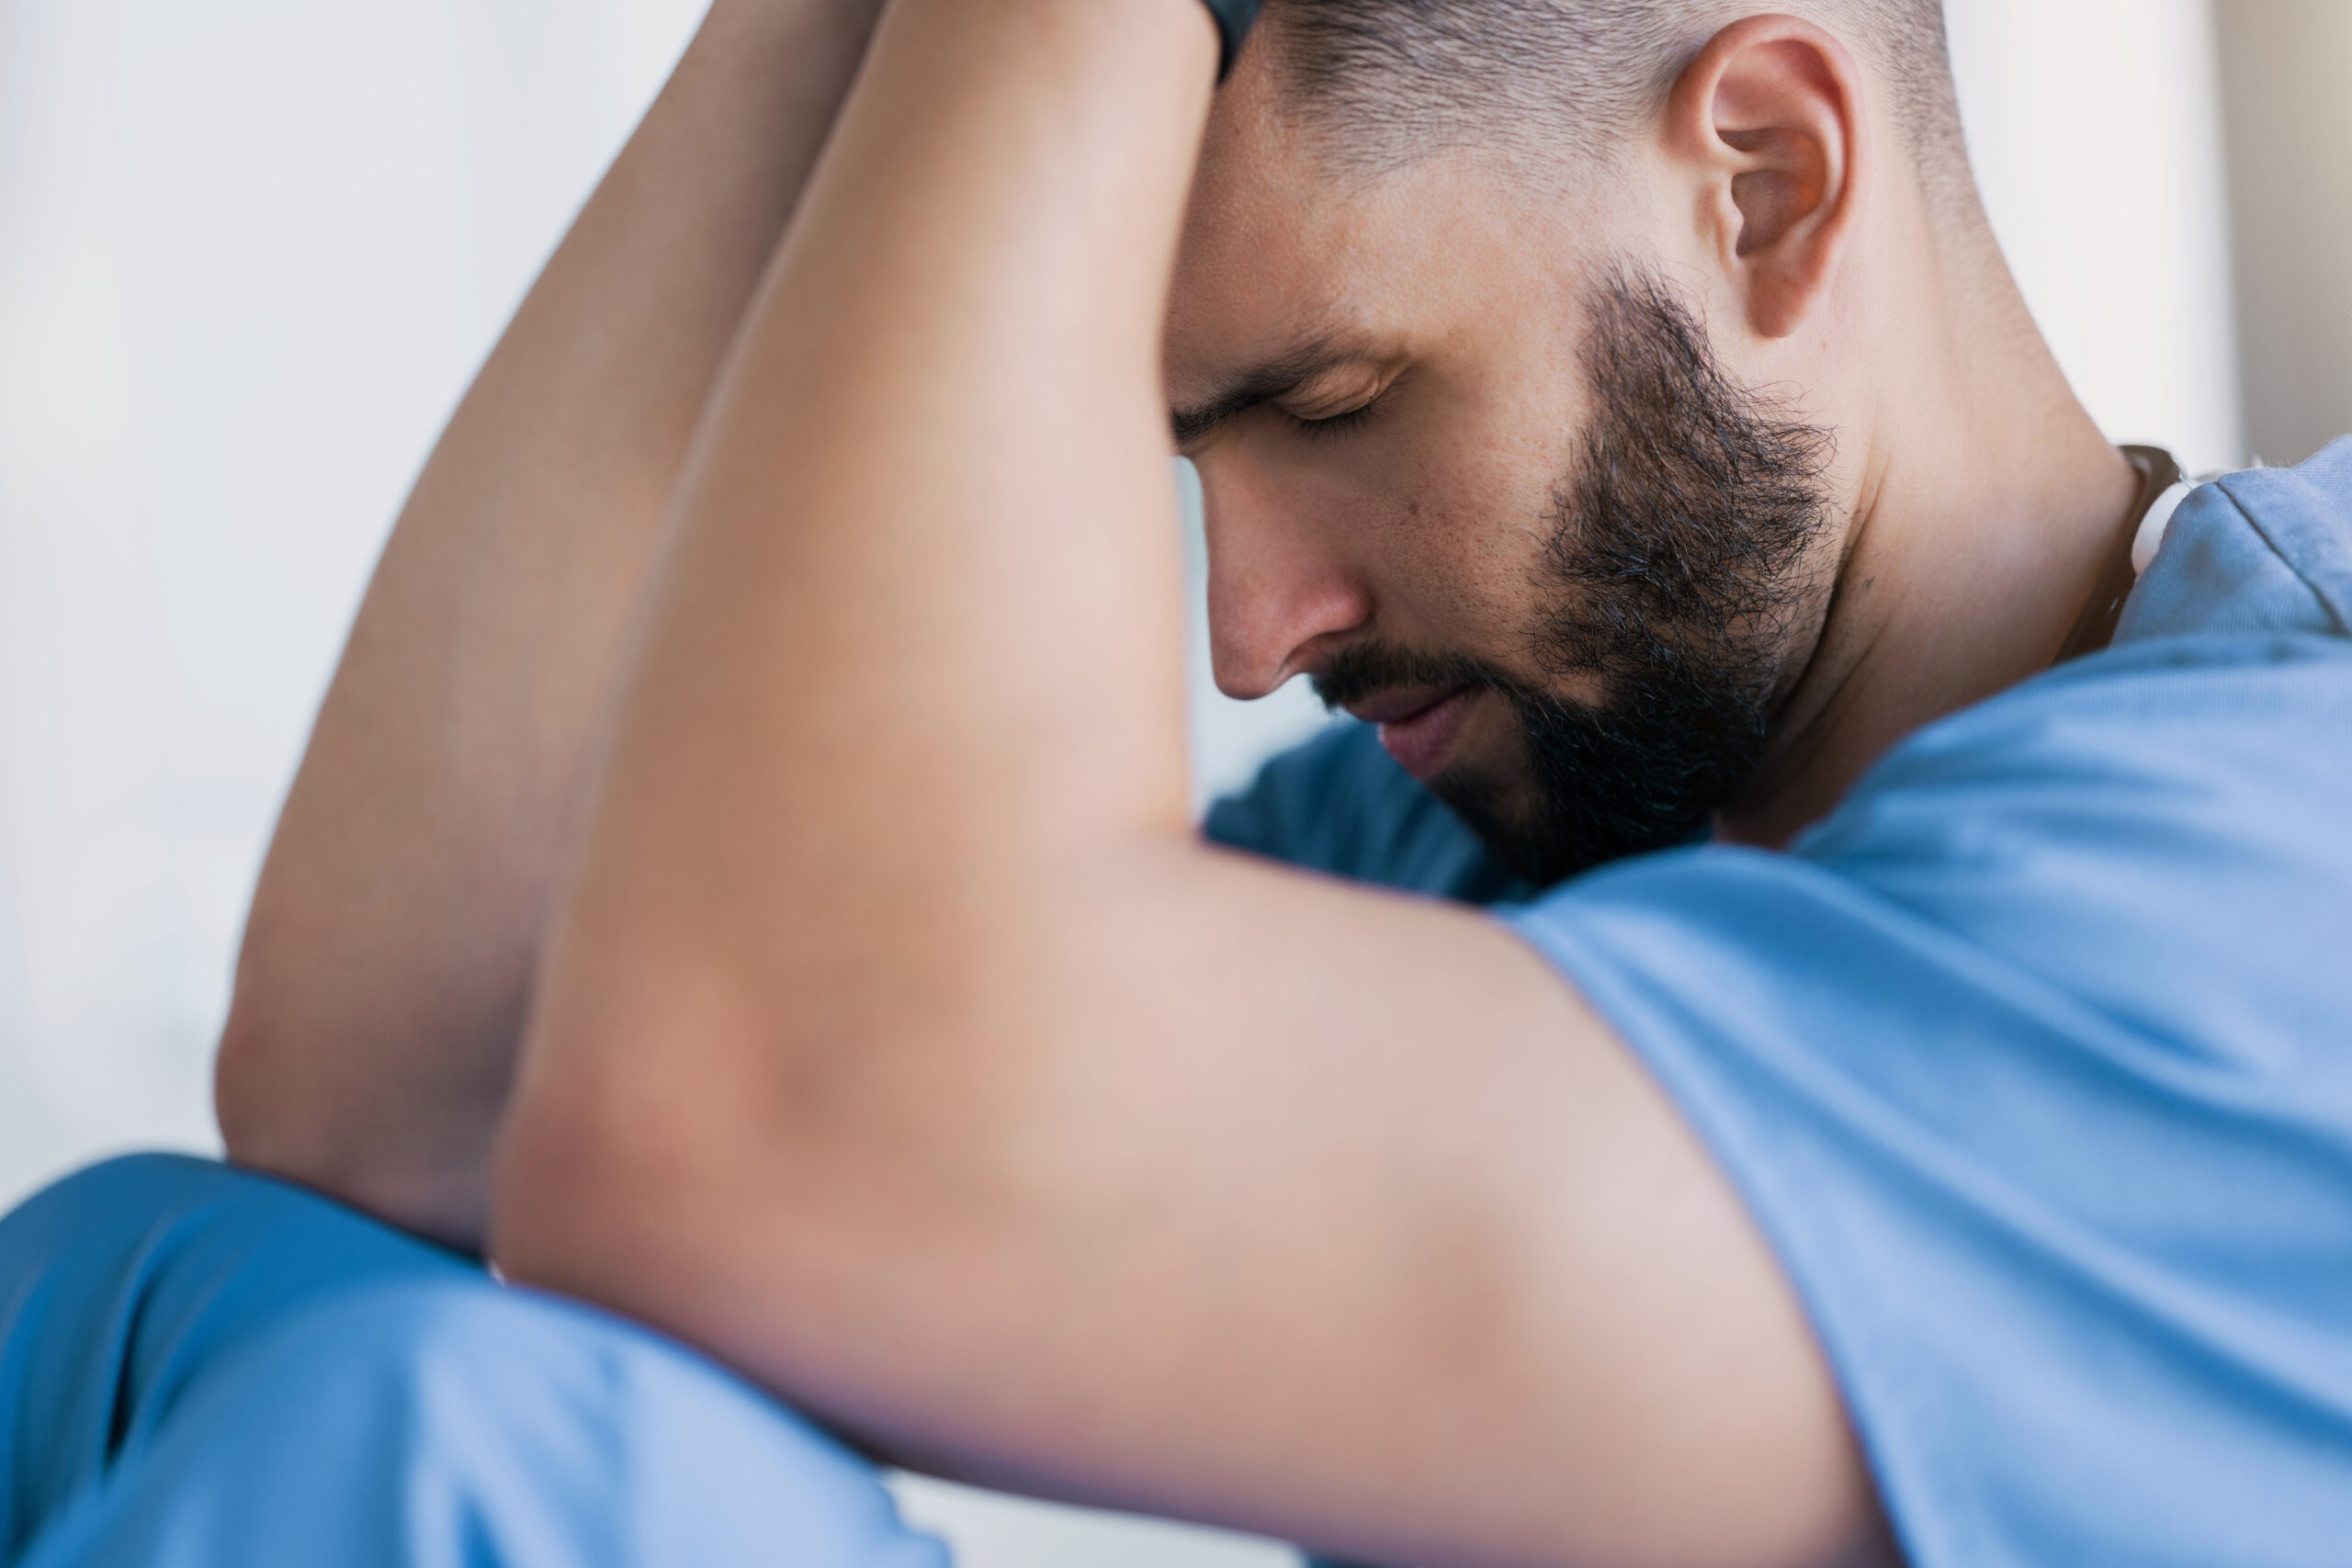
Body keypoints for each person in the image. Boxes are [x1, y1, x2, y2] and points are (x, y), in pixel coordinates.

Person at [4, 0, 2347, 1562]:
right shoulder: (1508, 820)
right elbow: (401, 1098)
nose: (1245, 632)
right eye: (1179, 451)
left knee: (458, 1477)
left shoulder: (2274, 863)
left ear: (1758, 183)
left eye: (1331, 406)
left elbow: (733, 1121)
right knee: (157, 1293)